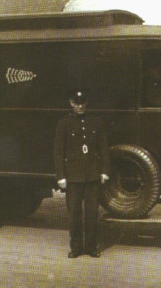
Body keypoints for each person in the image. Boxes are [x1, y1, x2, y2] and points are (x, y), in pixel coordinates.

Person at [54, 90, 110, 258]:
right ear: (71, 103)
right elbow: (58, 152)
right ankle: (76, 247)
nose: (80, 106)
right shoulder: (64, 123)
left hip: (92, 175)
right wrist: (61, 176)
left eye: (82, 103)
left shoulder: (96, 122)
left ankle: (91, 247)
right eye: (76, 103)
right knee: (74, 215)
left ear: (86, 103)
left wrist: (105, 171)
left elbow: (103, 148)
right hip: (73, 177)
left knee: (92, 213)